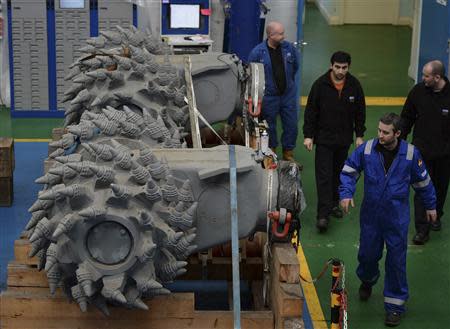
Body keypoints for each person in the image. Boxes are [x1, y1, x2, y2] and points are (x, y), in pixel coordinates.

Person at [339, 113, 437, 327]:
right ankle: (367, 279)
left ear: (398, 134)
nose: (380, 135)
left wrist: (431, 205)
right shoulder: (367, 150)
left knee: (396, 262)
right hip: (371, 217)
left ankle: (394, 307)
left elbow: (423, 182)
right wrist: (346, 194)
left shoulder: (411, 155)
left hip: (396, 218)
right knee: (367, 255)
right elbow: (349, 171)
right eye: (379, 131)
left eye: (385, 132)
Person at [303, 51, 366, 232]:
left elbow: (360, 112)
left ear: (348, 67)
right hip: (323, 139)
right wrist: (309, 135)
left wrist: (359, 134)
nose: (340, 71)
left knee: (338, 174)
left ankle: (333, 204)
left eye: (344, 68)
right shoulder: (320, 85)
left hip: (343, 140)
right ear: (331, 65)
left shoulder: (354, 86)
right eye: (337, 67)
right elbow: (311, 112)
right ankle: (322, 215)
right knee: (323, 176)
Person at [400, 60, 450, 245]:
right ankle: (422, 229)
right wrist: (400, 140)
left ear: (438, 77)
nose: (423, 78)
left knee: (441, 187)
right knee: (421, 189)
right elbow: (406, 117)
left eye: (426, 76)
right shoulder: (418, 92)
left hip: (445, 155)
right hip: (421, 152)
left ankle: (436, 214)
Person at [248, 21, 300, 161]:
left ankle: (288, 153)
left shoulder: (289, 48)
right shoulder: (257, 53)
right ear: (271, 35)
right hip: (269, 97)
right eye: (280, 34)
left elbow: (295, 67)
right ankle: (271, 152)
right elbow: (252, 75)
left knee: (291, 125)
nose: (284, 36)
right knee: (269, 126)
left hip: (288, 95)